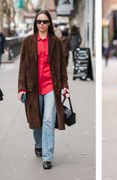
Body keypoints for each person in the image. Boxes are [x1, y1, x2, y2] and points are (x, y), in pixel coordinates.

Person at [17, 10, 70, 170]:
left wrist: (65, 86)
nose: (42, 24)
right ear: (35, 23)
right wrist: (21, 88)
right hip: (33, 88)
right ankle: (39, 144)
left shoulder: (56, 42)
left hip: (51, 87)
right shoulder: (28, 41)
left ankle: (47, 157)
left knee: (48, 120)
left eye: (45, 21)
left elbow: (62, 66)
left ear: (49, 24)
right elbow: (23, 67)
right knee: (36, 121)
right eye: (39, 21)